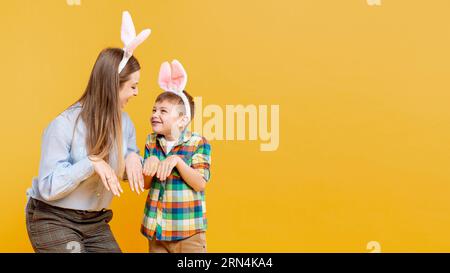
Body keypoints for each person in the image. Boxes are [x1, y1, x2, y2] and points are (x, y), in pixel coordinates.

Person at [25, 11, 150, 253]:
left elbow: (125, 166)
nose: (136, 93)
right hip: (53, 217)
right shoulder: (64, 124)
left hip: (94, 222)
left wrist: (135, 158)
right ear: (114, 86)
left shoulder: (126, 123)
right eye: (133, 86)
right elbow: (49, 187)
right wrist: (91, 163)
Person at [141, 60, 212, 253]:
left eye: (163, 111)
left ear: (182, 120)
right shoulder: (151, 141)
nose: (155, 114)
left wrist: (177, 162)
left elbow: (200, 183)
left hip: (188, 233)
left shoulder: (198, 143)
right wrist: (150, 163)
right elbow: (146, 184)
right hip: (158, 231)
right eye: (154, 110)